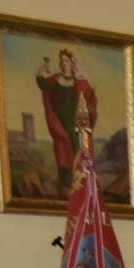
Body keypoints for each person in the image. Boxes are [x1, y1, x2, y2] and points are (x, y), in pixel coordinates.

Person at [35, 50, 98, 193]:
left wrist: (87, 111)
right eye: (62, 60)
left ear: (72, 62)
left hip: (76, 123)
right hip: (61, 122)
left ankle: (81, 185)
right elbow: (42, 84)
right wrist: (41, 71)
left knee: (78, 149)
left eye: (67, 60)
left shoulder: (80, 81)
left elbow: (90, 98)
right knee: (63, 150)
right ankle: (65, 185)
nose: (64, 63)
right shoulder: (56, 80)